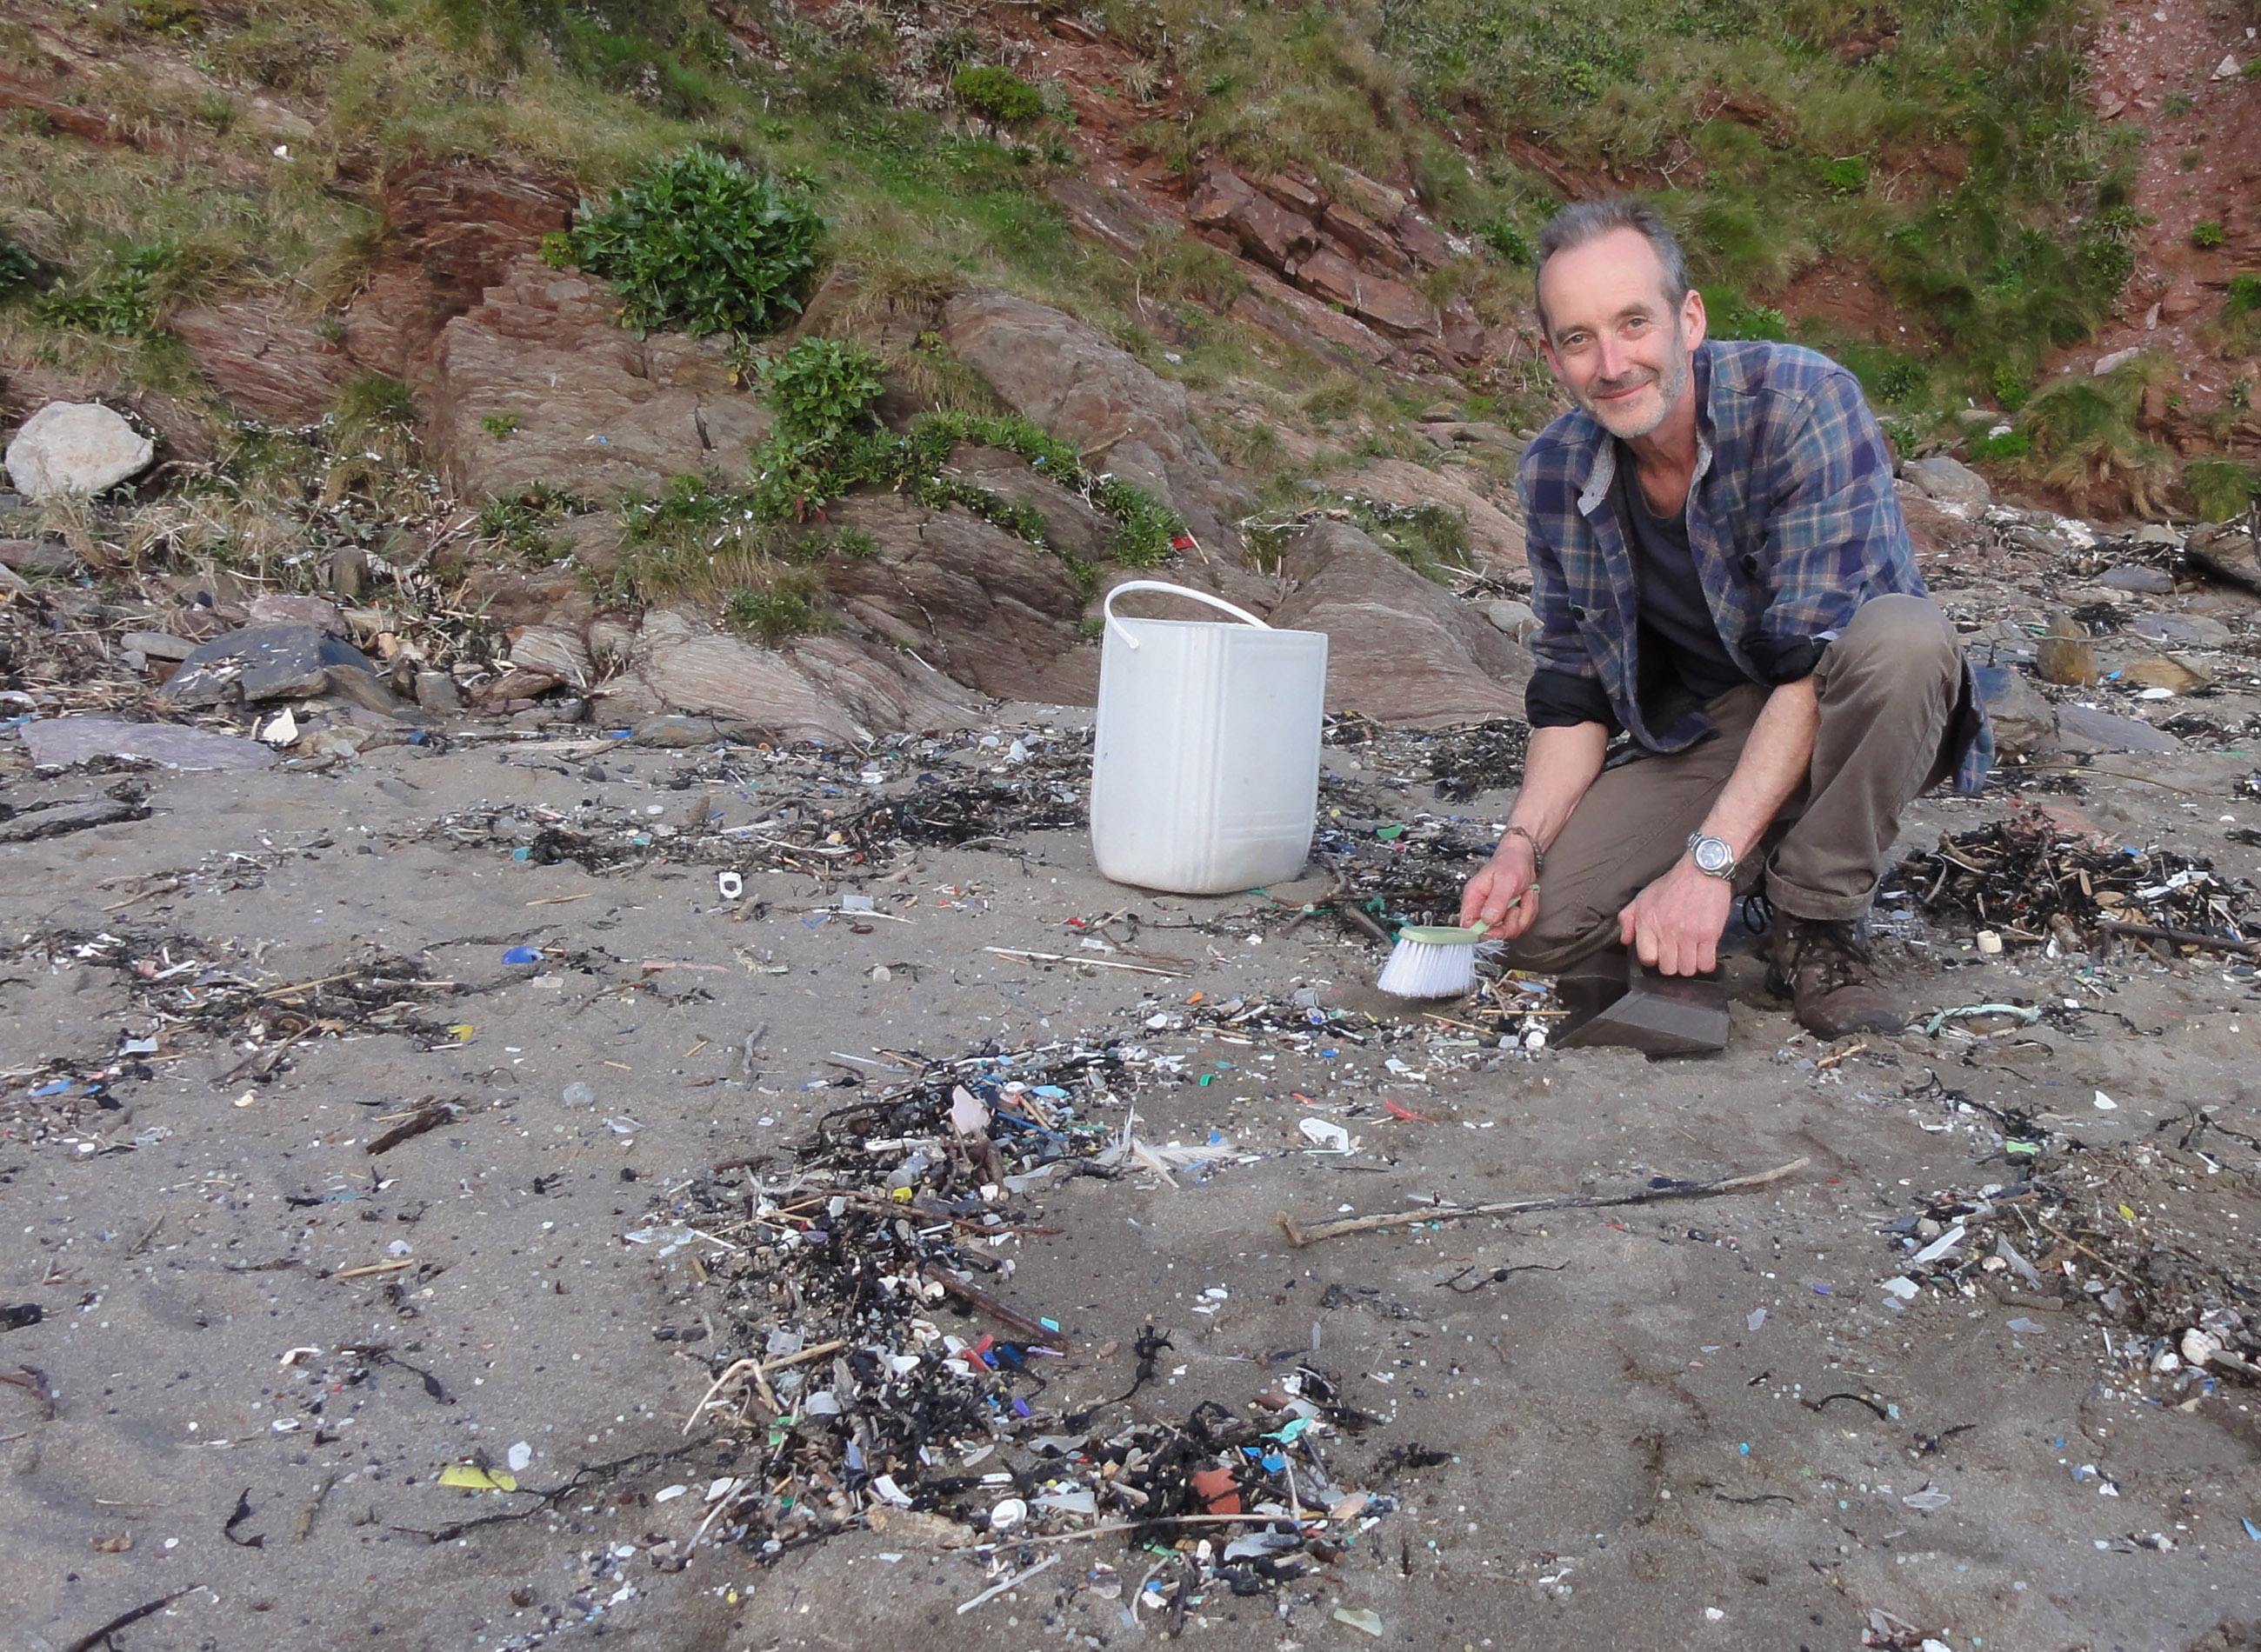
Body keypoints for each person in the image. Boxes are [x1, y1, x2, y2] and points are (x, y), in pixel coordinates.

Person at [1458, 197, 1990, 1037]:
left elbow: (1812, 660)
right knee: (1546, 933)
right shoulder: (1554, 473)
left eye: (1634, 323)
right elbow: (1572, 696)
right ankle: (1762, 849)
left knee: (1906, 641)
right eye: (1578, 338)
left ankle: (1815, 921)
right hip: (1713, 727)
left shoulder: (1806, 402)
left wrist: (1706, 865)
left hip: (1850, 696)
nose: (1612, 362)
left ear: (1689, 319)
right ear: (1552, 357)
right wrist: (1518, 844)